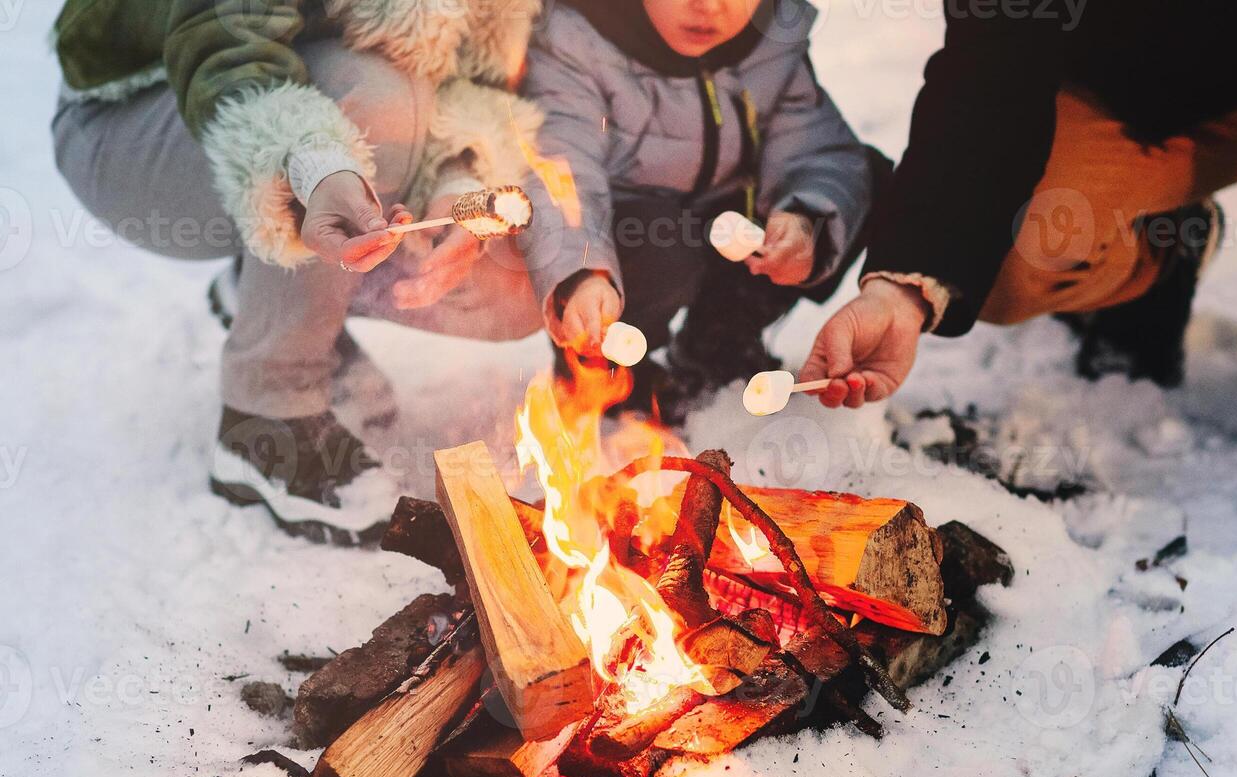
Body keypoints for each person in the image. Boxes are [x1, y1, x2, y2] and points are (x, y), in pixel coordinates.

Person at [51, 0, 547, 545]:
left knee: (515, 284)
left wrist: (459, 191)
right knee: (380, 97)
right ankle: (267, 409)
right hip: (148, 116)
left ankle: (269, 297)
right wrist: (316, 168)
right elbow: (225, 45)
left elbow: (482, 79)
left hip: (356, 128)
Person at [797, 3, 1237, 435]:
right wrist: (903, 288)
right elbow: (989, 71)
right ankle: (1164, 249)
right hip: (1136, 105)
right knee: (1011, 259)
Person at [515, 0, 882, 420]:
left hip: (727, 223)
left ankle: (720, 341)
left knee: (857, 185)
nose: (707, 6)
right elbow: (562, 172)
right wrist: (584, 274)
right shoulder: (578, 40)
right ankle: (608, 371)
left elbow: (820, 153)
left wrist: (803, 221)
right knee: (657, 237)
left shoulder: (771, 43)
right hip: (629, 242)